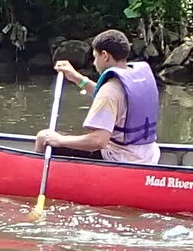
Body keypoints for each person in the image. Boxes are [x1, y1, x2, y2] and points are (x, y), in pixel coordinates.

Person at [35, 29, 161, 166]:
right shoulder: (135, 78)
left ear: (105, 56)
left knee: (43, 137)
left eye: (95, 57)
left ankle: (37, 179)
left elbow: (98, 141)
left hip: (120, 159)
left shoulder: (110, 90)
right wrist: (77, 78)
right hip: (149, 156)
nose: (94, 63)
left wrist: (59, 140)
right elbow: (111, 98)